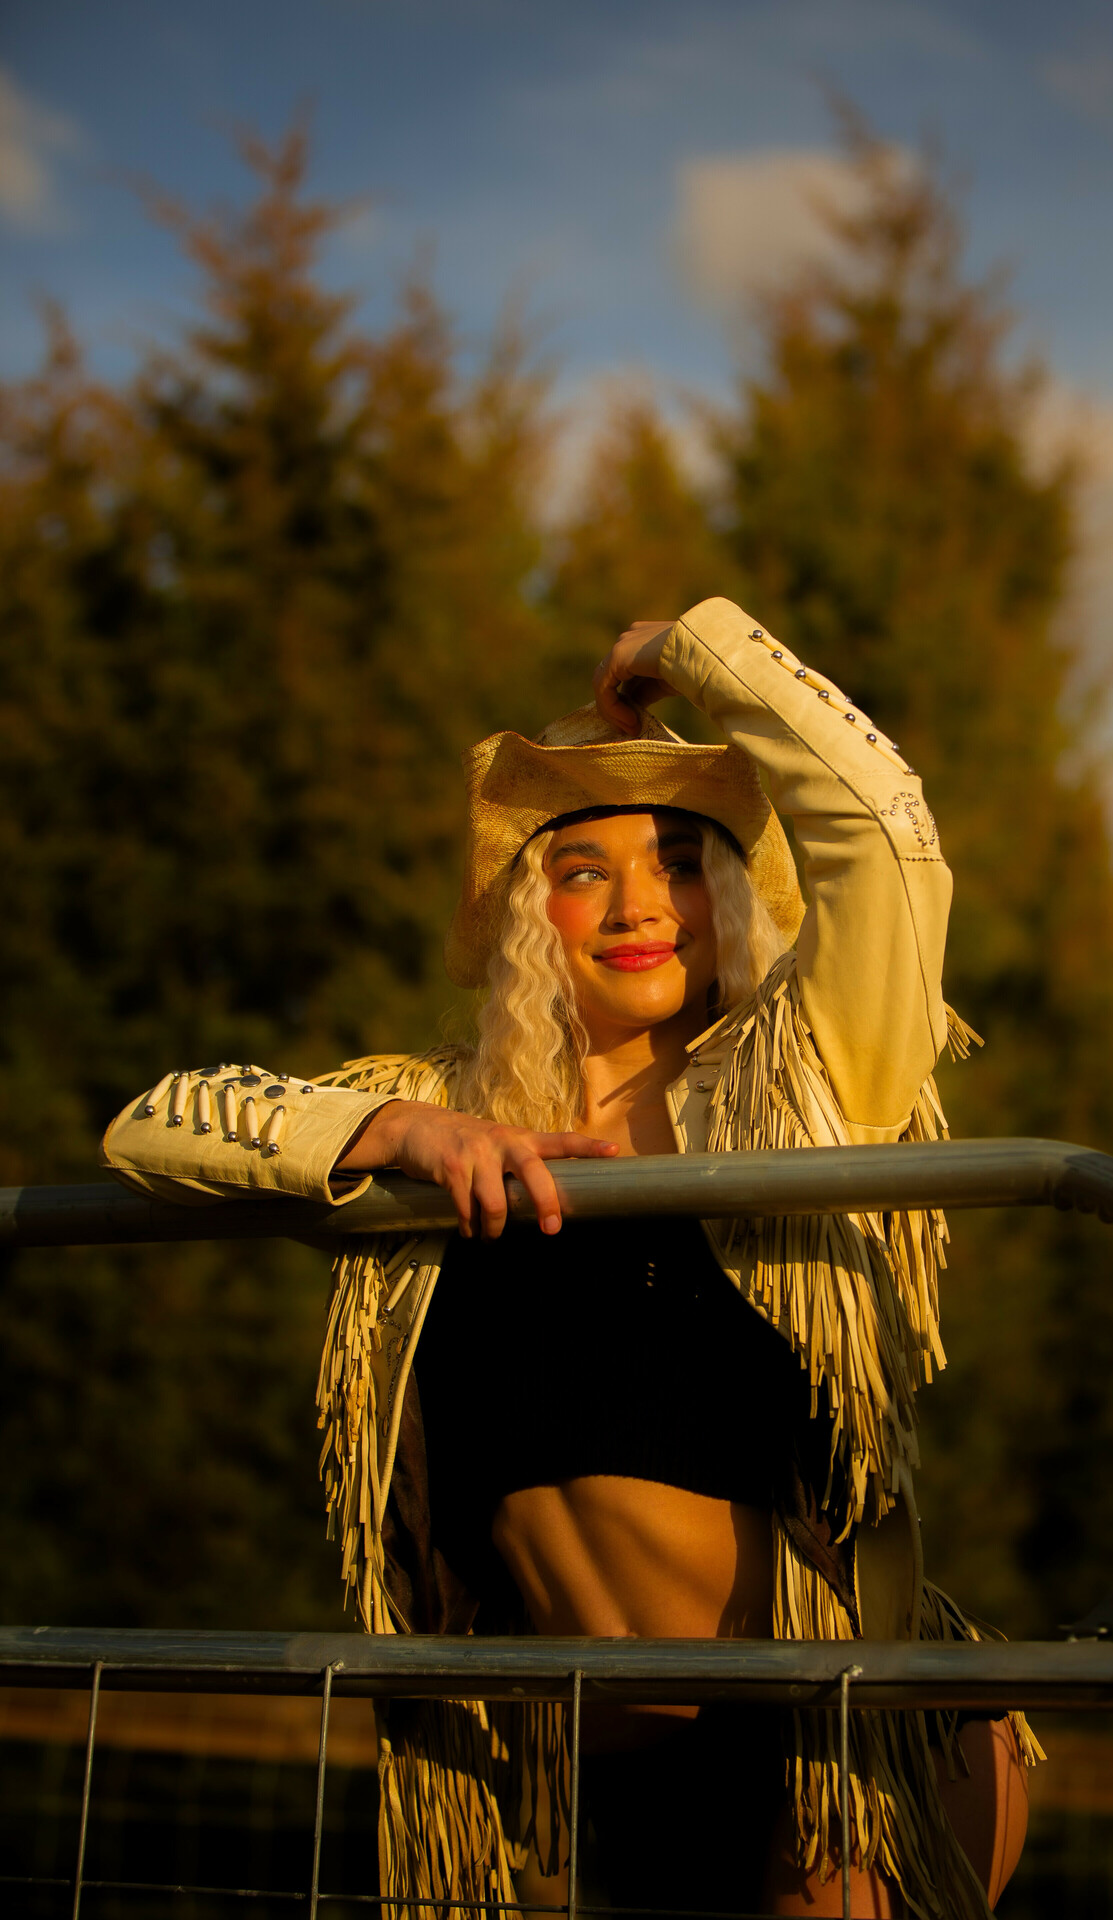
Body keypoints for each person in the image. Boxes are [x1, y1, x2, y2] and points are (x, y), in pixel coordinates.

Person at [103, 597, 1036, 1919]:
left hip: (839, 1728)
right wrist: (394, 1131)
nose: (640, 904)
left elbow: (886, 831)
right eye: (586, 868)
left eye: (681, 862)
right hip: (604, 1772)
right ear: (529, 909)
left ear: (728, 899)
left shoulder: (804, 1077)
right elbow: (153, 1124)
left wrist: (683, 649)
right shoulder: (431, 1115)